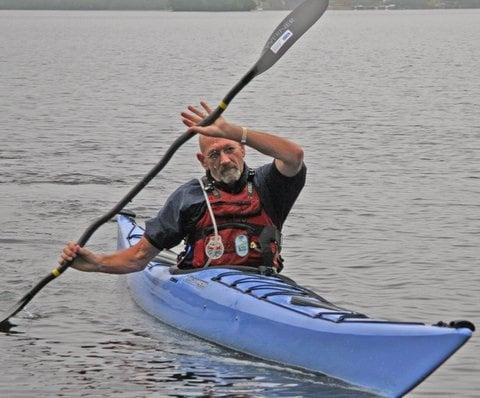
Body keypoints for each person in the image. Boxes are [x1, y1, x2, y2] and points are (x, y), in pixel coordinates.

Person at [60, 101, 306, 274]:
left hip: (263, 283)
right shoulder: (189, 197)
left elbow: (294, 155)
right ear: (202, 161)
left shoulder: (268, 185)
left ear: (243, 149)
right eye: (214, 154)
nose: (225, 160)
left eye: (230, 149)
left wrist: (235, 132)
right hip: (203, 284)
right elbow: (138, 258)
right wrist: (96, 263)